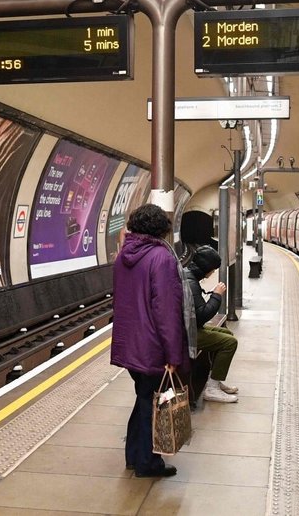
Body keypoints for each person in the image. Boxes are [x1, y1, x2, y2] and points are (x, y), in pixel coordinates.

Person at [111, 204, 188, 478]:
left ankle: (134, 456)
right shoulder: (161, 258)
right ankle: (148, 463)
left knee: (143, 397)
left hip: (129, 342)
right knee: (150, 404)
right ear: (162, 229)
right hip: (152, 344)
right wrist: (173, 353)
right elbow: (166, 310)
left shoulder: (124, 256)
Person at [184, 246, 240, 403]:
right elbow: (202, 316)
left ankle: (215, 379)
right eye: (213, 270)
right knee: (230, 343)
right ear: (206, 268)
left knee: (227, 334)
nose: (213, 273)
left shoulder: (189, 276)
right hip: (185, 333)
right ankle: (212, 388)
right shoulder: (191, 283)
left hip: (188, 327)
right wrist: (216, 295)